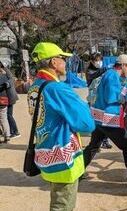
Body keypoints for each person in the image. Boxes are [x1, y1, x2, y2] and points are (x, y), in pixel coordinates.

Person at [27, 42, 96, 211]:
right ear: (54, 63)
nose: (65, 62)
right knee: (62, 205)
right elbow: (87, 124)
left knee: (58, 198)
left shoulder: (35, 87)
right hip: (63, 157)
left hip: (45, 151)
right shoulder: (58, 89)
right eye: (63, 58)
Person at [83, 54, 127, 188]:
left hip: (98, 118)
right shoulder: (112, 75)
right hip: (108, 119)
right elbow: (111, 97)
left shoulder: (111, 74)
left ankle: (77, 172)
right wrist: (125, 98)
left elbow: (122, 87)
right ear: (123, 65)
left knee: (93, 146)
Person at [85, 53, 112, 149]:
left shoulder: (103, 71)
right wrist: (105, 69)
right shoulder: (89, 71)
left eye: (100, 60)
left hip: (102, 98)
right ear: (92, 61)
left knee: (105, 120)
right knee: (95, 122)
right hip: (93, 100)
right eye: (97, 60)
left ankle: (105, 140)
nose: (99, 62)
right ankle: (95, 143)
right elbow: (95, 75)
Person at [0, 61, 20, 139]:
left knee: (8, 115)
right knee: (6, 115)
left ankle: (15, 131)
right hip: (7, 96)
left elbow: (10, 81)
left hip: (9, 96)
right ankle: (9, 132)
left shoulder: (5, 72)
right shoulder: (4, 71)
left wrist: (6, 84)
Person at [0, 67, 11, 144]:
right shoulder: (4, 76)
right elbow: (8, 86)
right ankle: (7, 136)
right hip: (3, 99)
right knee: (4, 118)